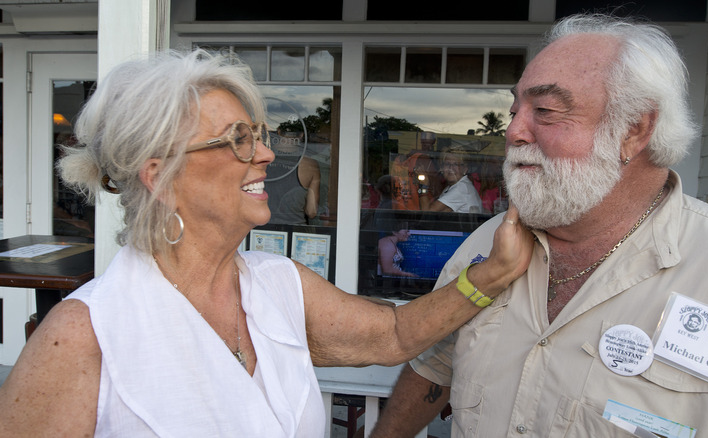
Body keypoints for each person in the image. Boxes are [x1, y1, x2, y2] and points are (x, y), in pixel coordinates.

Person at [0, 50, 534, 437]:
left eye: (257, 133)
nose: (266, 155)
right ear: (160, 176)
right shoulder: (83, 334)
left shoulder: (277, 283)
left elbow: (394, 334)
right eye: (238, 139)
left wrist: (489, 275)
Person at [372, 14, 708, 437]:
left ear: (634, 130)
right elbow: (435, 366)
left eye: (545, 111)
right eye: (515, 110)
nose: (513, 132)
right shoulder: (487, 243)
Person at [421, 149, 483, 213]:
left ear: (465, 169)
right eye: (447, 164)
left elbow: (427, 212)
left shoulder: (461, 188)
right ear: (442, 168)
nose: (451, 168)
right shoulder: (453, 187)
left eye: (456, 164)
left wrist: (423, 186)